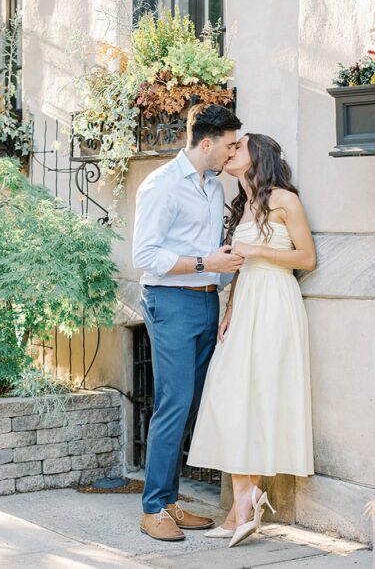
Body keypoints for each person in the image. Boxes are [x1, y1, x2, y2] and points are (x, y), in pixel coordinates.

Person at [186, 132, 316, 548]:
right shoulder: (244, 206)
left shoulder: (284, 200)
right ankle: (244, 500)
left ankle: (242, 505)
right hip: (245, 305)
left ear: (256, 156)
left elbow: (307, 259)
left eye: (238, 146)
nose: (230, 151)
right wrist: (228, 311)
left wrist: (257, 253)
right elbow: (238, 268)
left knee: (257, 395)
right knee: (231, 394)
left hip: (276, 301)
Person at [132, 103, 245, 542]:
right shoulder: (160, 186)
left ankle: (171, 500)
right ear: (206, 143)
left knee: (191, 405)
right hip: (170, 301)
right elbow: (144, 256)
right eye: (229, 145)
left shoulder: (213, 186)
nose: (232, 153)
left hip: (204, 302)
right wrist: (206, 261)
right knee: (174, 403)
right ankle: (153, 507)